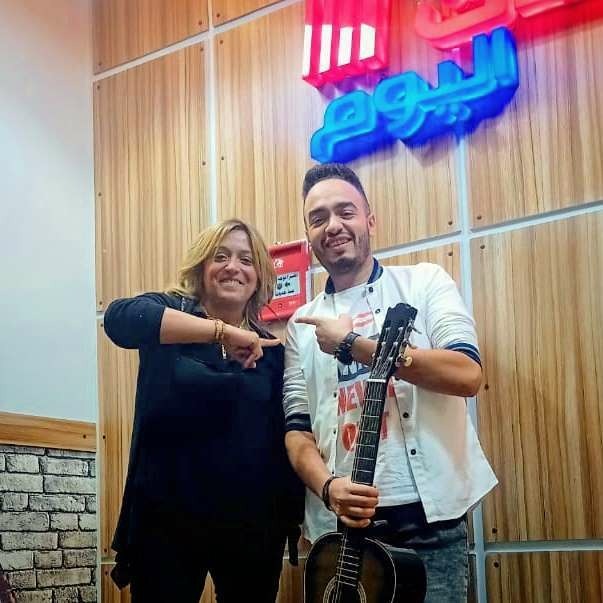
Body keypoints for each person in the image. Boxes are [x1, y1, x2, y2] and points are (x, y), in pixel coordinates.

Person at [283, 163, 497, 602]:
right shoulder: (301, 324)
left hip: (430, 521)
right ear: (309, 236)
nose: (333, 225)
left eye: (346, 211)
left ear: (370, 220)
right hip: (342, 528)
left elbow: (467, 373)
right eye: (318, 218)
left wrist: (354, 346)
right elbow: (298, 432)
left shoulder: (425, 281)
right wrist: (328, 488)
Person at [104, 219, 304, 603]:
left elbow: (283, 435)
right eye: (221, 256)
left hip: (251, 526)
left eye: (246, 260)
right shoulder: (169, 313)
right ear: (201, 267)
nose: (233, 267)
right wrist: (221, 332)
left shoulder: (272, 350)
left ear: (260, 275)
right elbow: (118, 319)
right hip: (166, 521)